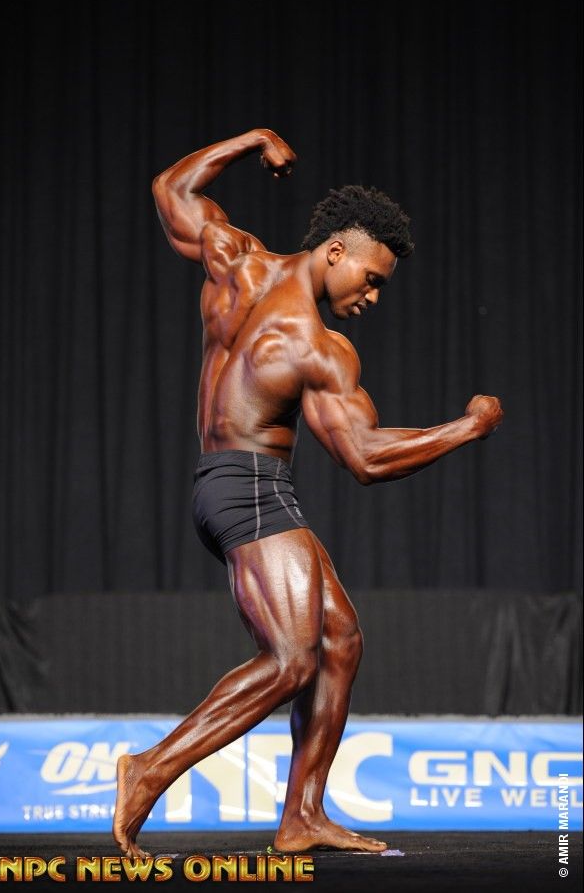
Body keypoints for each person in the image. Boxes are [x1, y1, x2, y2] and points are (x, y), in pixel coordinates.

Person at [113, 128, 503, 858]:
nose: (373, 296)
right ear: (335, 252)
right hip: (252, 492)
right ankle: (149, 770)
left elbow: (171, 188)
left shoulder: (235, 261)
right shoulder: (320, 349)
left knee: (339, 639)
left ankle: (302, 816)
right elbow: (366, 458)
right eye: (372, 278)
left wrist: (252, 140)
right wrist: (467, 427)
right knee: (292, 659)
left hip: (228, 486)